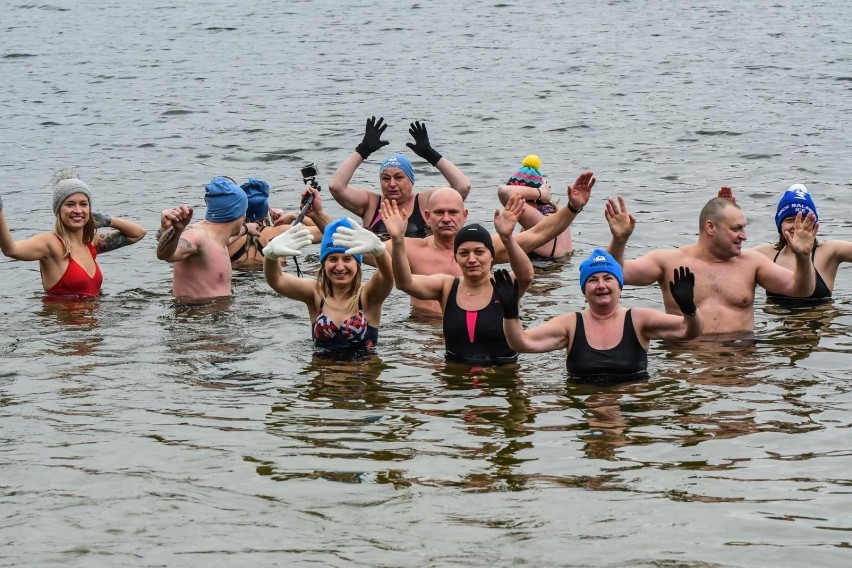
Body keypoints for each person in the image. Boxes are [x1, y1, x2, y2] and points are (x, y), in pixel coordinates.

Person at [380, 170, 595, 313]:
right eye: (439, 213)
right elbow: (357, 251)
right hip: (421, 330)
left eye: (453, 212)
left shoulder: (484, 249)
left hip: (474, 325)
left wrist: (573, 207)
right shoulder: (406, 247)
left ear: (465, 215)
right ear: (427, 216)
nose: (446, 218)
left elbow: (539, 234)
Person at [604, 193, 818, 334]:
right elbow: (616, 274)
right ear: (710, 227)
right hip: (688, 361)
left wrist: (803, 256)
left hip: (740, 362)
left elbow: (801, 290)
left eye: (744, 228)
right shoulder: (670, 262)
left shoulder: (752, 263)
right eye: (736, 229)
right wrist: (619, 240)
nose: (744, 236)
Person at [495, 249, 703, 384]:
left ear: (620, 287)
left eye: (608, 278)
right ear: (584, 290)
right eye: (593, 280)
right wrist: (510, 311)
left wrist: (689, 308)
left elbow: (689, 331)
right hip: (584, 404)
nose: (601, 285)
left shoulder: (640, 319)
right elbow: (521, 343)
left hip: (630, 401)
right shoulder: (570, 324)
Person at [387, 194, 534, 365]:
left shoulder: (504, 285)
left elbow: (527, 276)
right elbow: (405, 283)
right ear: (456, 258)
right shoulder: (447, 286)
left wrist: (507, 238)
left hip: (500, 375)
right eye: (464, 253)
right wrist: (397, 240)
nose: (472, 259)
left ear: (491, 256)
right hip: (456, 379)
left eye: (479, 252)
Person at [263, 209, 393, 359]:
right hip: (323, 378)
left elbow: (388, 276)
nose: (339, 267)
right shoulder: (316, 292)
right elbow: (276, 279)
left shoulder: (367, 296)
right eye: (332, 259)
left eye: (347, 259)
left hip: (361, 378)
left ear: (357, 263)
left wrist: (380, 252)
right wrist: (271, 255)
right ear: (324, 264)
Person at [0, 170, 146, 298]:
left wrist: (108, 220)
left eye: (83, 204)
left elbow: (138, 233)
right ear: (59, 210)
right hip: (64, 328)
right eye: (70, 204)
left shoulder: (91, 243)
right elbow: (10, 249)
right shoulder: (49, 244)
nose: (77, 210)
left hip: (93, 327)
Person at [328, 117, 471, 238]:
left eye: (399, 177)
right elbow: (336, 186)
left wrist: (430, 154)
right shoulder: (370, 204)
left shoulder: (424, 202)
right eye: (386, 178)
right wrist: (363, 150)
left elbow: (462, 186)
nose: (392, 184)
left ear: (411, 180)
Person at [743, 184, 852, 304]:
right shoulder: (765, 254)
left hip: (817, 320)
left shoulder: (830, 251)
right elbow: (726, 256)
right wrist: (725, 218)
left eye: (804, 220)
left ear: (813, 224)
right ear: (780, 226)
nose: (797, 227)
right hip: (780, 322)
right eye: (789, 220)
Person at [157, 176, 248, 300]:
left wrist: (248, 229)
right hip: (195, 314)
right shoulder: (196, 236)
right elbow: (165, 255)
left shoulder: (218, 238)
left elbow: (229, 239)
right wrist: (176, 230)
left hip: (216, 312)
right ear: (238, 213)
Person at [227, 177, 321, 268]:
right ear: (266, 209)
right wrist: (295, 215)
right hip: (271, 281)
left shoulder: (228, 237)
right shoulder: (280, 232)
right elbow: (324, 232)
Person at [497, 155, 573, 259]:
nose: (511, 207)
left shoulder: (538, 221)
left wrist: (540, 193)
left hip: (541, 274)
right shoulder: (559, 216)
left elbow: (503, 191)